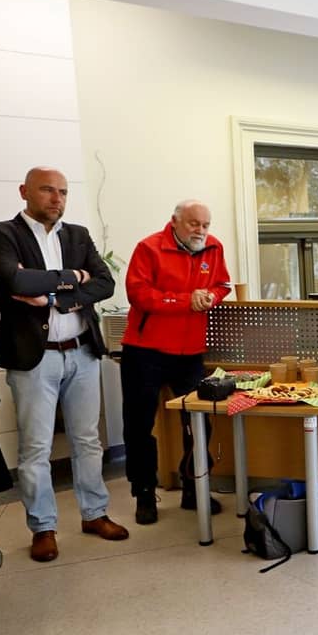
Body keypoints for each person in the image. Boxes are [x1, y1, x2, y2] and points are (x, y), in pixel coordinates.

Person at [0, 167, 128, 562]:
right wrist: (75, 277)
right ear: (24, 191)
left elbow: (105, 283)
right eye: (47, 190)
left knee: (87, 440)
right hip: (34, 358)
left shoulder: (78, 234)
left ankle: (94, 514)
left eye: (63, 192)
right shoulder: (0, 234)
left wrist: (52, 297)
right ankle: (43, 527)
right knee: (35, 448)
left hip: (82, 352)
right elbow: (17, 284)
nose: (57, 199)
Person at [120, 200, 231, 524]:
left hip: (190, 352)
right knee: (139, 426)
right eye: (194, 224)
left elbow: (222, 284)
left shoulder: (213, 247)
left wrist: (211, 296)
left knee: (198, 423)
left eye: (205, 225)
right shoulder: (149, 248)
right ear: (175, 222)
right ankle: (144, 493)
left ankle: (193, 487)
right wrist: (186, 300)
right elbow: (138, 294)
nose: (201, 231)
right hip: (145, 351)